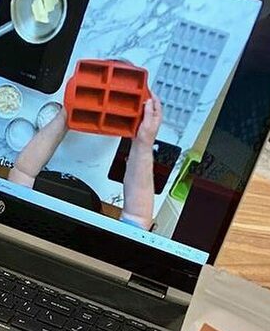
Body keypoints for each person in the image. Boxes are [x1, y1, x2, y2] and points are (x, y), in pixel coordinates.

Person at [8, 94, 163, 230]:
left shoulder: (19, 221)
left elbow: (22, 172)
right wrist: (143, 144)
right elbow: (137, 220)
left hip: (45, 185)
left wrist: (66, 117)